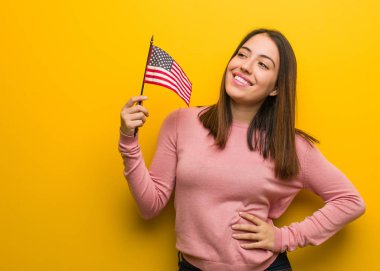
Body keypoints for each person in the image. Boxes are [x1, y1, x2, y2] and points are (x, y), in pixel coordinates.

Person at [118, 28, 366, 271]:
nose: (245, 66)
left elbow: (350, 201)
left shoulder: (289, 146)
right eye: (243, 54)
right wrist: (128, 141)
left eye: (263, 64)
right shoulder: (181, 122)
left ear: (276, 88)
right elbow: (150, 206)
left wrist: (283, 238)